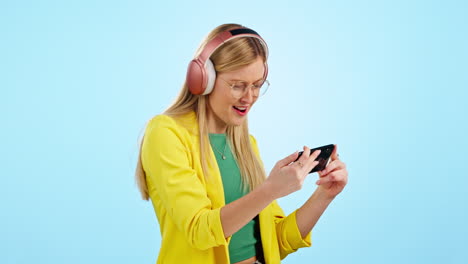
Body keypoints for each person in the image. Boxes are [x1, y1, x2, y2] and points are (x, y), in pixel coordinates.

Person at [135, 23, 348, 264]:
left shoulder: (245, 144)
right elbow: (199, 231)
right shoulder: (166, 133)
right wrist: (270, 190)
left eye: (257, 85)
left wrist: (324, 194)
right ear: (203, 79)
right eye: (238, 85)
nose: (249, 97)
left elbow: (275, 242)